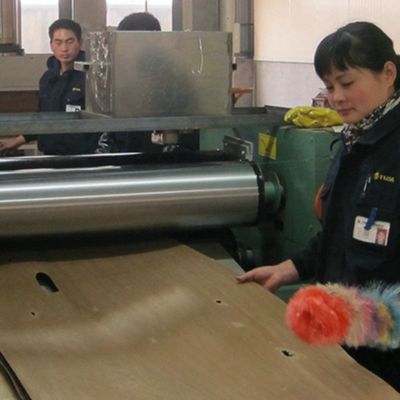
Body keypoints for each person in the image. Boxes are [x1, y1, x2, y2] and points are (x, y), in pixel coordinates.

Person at [237, 21, 400, 392]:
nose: (336, 97)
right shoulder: (354, 141)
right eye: (329, 86)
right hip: (348, 348)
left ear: (388, 73)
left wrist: (353, 316)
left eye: (347, 82)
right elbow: (341, 232)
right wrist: (291, 268)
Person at [0, 19, 99, 155]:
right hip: (50, 154)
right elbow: (42, 117)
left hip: (81, 157)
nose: (64, 48)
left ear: (80, 43)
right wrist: (18, 140)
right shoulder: (48, 78)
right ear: (51, 45)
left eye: (69, 41)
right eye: (58, 42)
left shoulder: (91, 77)